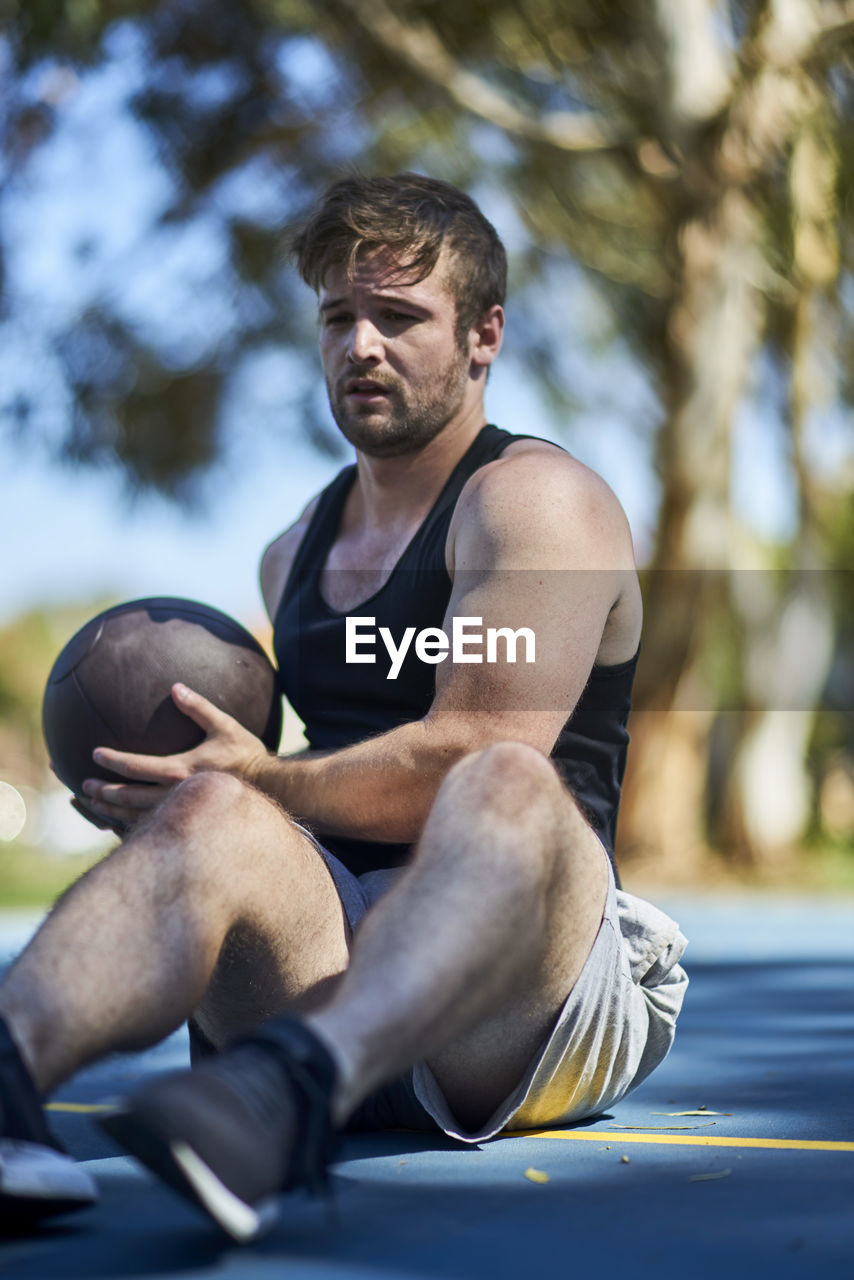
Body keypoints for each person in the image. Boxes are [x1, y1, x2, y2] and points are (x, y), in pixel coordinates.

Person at [0, 174, 687, 1241]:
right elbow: (247, 806)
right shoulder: (290, 553)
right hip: (327, 955)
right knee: (210, 816)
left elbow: (473, 749)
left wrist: (258, 774)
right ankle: (12, 1070)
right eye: (338, 317)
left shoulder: (535, 502)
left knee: (502, 779)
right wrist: (176, 795)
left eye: (400, 316)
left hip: (524, 999)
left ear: (481, 335)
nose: (360, 344)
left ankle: (296, 1083)